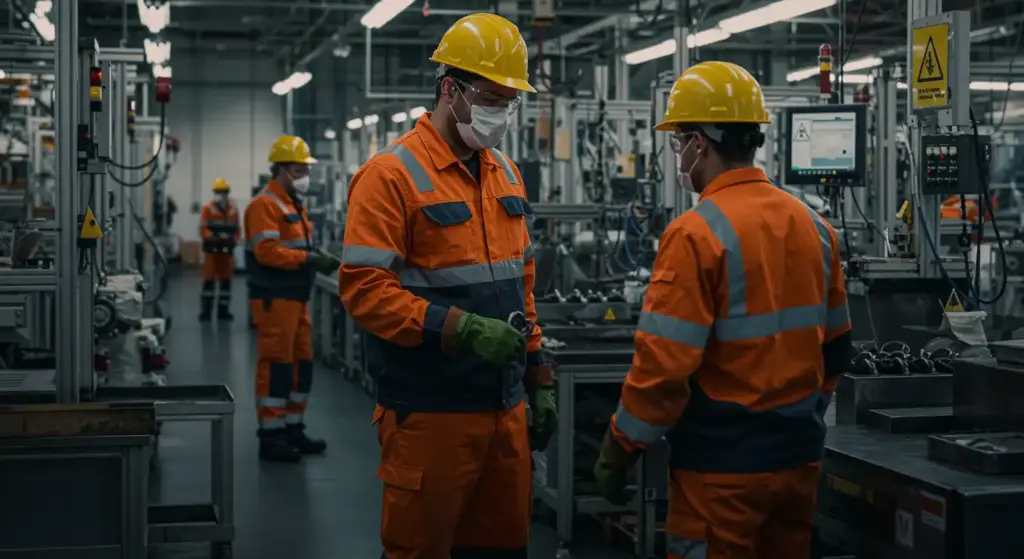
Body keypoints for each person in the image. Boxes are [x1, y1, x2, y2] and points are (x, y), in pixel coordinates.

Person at [592, 61, 854, 559]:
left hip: (721, 473)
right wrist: (798, 417)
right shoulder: (816, 227)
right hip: (798, 463)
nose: (679, 155)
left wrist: (619, 446)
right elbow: (838, 349)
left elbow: (663, 370)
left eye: (678, 143)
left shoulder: (695, 234)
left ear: (699, 143)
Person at [337, 13, 558, 559]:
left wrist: (538, 371)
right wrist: (459, 328)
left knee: (502, 549)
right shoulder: (389, 175)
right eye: (490, 98)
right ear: (449, 89)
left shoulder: (505, 172)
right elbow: (364, 289)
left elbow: (522, 281)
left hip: (504, 410)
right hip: (430, 412)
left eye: (509, 101)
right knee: (422, 548)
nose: (499, 112)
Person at [245, 135, 336, 463]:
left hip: (297, 297)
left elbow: (298, 245)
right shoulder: (264, 205)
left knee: (301, 363)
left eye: (304, 170)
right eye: (298, 170)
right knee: (277, 365)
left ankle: (293, 427)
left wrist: (316, 254)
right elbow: (267, 252)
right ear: (281, 170)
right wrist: (309, 260)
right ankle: (271, 436)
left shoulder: (294, 205)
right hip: (275, 297)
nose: (304, 176)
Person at [199, 177, 240, 322]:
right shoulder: (207, 208)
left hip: (227, 251)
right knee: (209, 281)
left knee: (226, 282)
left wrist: (232, 239)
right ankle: (206, 312)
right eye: (218, 192)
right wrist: (214, 237)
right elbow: (203, 229)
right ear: (214, 192)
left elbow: (237, 230)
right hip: (211, 250)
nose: (221, 195)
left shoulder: (233, 210)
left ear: (228, 193)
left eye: (224, 192)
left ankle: (223, 312)